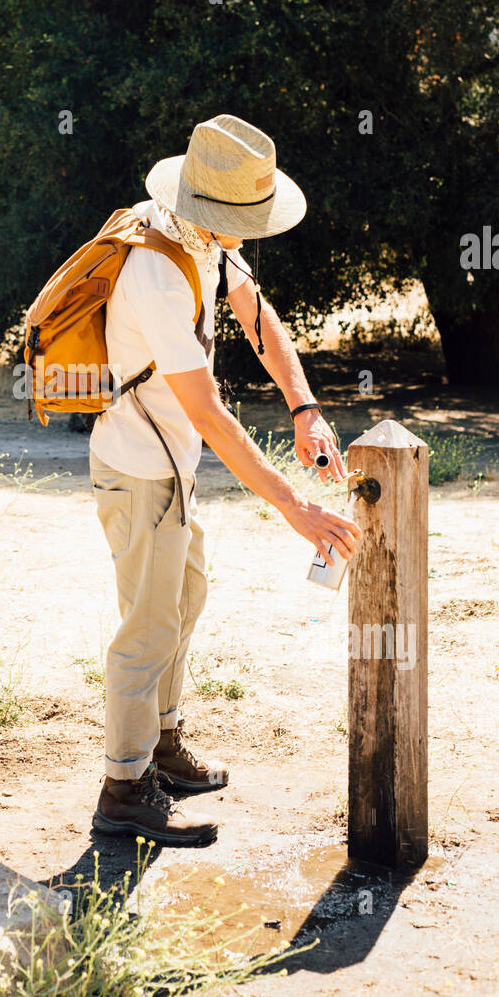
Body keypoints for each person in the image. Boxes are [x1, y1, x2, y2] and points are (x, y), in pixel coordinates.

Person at [90, 114, 361, 847]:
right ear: (211, 207)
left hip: (171, 465)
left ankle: (164, 747)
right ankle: (123, 789)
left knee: (185, 597)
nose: (256, 230)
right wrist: (294, 506)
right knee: (146, 630)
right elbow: (207, 410)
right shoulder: (155, 265)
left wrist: (304, 406)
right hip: (142, 470)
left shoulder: (205, 239)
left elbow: (258, 317)